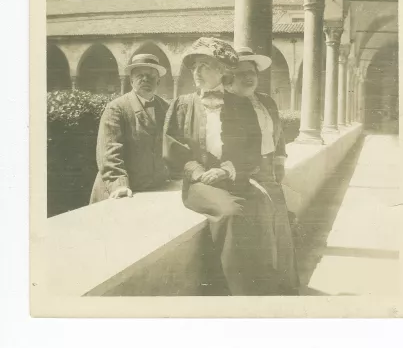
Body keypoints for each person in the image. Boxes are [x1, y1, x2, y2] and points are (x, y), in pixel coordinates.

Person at [163, 37, 280, 296]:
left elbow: (251, 148)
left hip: (232, 177)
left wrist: (228, 169)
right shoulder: (182, 105)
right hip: (199, 183)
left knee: (262, 207)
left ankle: (261, 283)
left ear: (222, 71)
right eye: (194, 66)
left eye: (204, 65)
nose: (196, 72)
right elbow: (173, 149)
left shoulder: (239, 105)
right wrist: (197, 171)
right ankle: (234, 291)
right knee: (231, 213)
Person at [225, 46, 299, 295]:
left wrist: (279, 160)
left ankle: (284, 285)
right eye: (241, 72)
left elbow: (278, 136)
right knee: (260, 232)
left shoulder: (266, 101)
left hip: (269, 171)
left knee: (280, 228)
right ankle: (261, 287)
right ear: (230, 76)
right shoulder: (228, 104)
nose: (248, 77)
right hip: (245, 176)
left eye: (252, 72)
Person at [90, 53, 169, 204]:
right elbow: (109, 153)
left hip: (154, 191)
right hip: (119, 192)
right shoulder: (116, 108)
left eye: (151, 76)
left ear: (158, 80)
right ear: (131, 79)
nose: (145, 79)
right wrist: (119, 186)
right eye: (140, 75)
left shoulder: (166, 108)